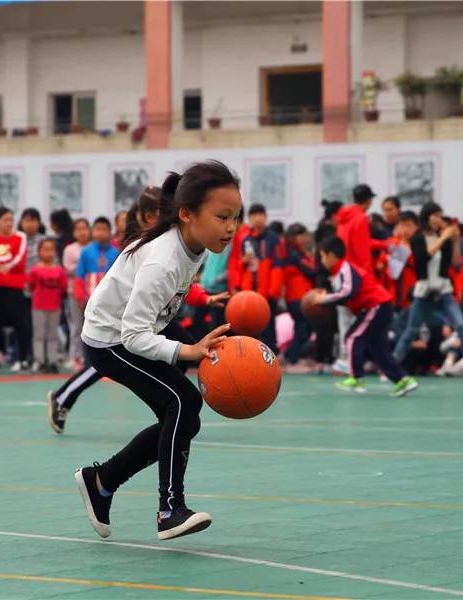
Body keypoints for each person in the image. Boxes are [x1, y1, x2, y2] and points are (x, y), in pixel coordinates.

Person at [71, 161, 238, 541]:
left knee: (185, 415)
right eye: (222, 216)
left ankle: (102, 481)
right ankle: (169, 510)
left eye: (235, 217)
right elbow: (132, 336)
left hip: (131, 332)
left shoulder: (192, 245)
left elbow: (164, 301)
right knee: (182, 403)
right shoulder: (164, 259)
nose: (231, 227)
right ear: (187, 214)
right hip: (110, 340)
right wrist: (188, 351)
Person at [312, 236, 418, 396]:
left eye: (322, 256)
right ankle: (403, 380)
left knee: (352, 337)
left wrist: (324, 299)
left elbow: (348, 292)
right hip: (380, 307)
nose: (321, 261)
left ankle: (356, 378)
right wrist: (329, 297)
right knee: (378, 349)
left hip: (376, 306)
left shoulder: (345, 268)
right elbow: (347, 295)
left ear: (332, 256)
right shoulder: (339, 271)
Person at [394, 203, 463, 383]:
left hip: (443, 289)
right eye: (435, 215)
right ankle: (392, 366)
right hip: (424, 291)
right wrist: (442, 238)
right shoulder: (418, 238)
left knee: (461, 325)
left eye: (440, 216)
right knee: (411, 331)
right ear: (427, 217)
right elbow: (423, 259)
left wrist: (456, 240)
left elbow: (456, 264)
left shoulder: (445, 238)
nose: (438, 219)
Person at [0, 206, 29, 372]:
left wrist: (3, 263)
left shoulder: (20, 237)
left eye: (11, 219)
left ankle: (22, 359)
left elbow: (20, 258)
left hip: (14, 286)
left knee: (19, 323)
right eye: (5, 220)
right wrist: (5, 260)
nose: (9, 223)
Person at [237, 204, 282, 350]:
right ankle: (251, 353)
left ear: (265, 217)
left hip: (267, 291)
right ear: (249, 218)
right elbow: (239, 266)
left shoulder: (274, 239)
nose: (257, 218)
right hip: (249, 290)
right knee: (249, 324)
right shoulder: (245, 239)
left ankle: (272, 354)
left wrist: (273, 291)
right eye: (254, 215)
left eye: (260, 215)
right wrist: (243, 261)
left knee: (269, 325)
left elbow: (278, 265)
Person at [29, 238, 67, 373]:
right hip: (38, 306)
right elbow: (31, 286)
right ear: (39, 252)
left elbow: (63, 287)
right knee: (39, 334)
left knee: (52, 335)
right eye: (45, 249)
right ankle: (39, 361)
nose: (48, 252)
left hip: (54, 306)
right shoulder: (35, 270)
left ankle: (52, 361)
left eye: (51, 249)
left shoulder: (59, 270)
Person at [281, 223, 316, 370]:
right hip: (297, 297)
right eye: (301, 235)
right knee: (301, 328)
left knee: (304, 328)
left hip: (301, 296)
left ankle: (290, 355)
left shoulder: (299, 252)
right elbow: (310, 271)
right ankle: (293, 359)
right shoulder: (293, 254)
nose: (305, 238)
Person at [335, 184, 388, 273]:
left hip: (345, 268)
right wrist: (368, 273)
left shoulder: (345, 217)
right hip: (357, 271)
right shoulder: (361, 219)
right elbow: (362, 250)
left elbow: (362, 241)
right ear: (369, 200)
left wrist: (385, 244)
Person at [19, 208, 47, 368]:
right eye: (27, 220)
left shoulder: (44, 240)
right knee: (24, 325)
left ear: (39, 223)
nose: (30, 224)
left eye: (33, 220)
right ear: (21, 223)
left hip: (41, 291)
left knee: (41, 327)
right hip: (21, 290)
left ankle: (42, 358)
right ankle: (24, 356)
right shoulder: (17, 239)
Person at [63, 218, 91, 368]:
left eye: (84, 228)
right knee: (76, 325)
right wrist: (84, 264)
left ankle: (89, 357)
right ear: (74, 232)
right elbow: (68, 268)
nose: (82, 232)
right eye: (78, 229)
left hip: (92, 292)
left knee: (91, 325)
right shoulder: (70, 249)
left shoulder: (94, 248)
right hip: (75, 291)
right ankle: (75, 357)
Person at [75, 217, 119, 311]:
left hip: (109, 298)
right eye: (98, 229)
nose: (101, 233)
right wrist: (80, 297)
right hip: (89, 297)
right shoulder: (86, 251)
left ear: (110, 232)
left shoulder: (115, 252)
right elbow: (80, 275)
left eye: (104, 229)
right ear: (92, 231)